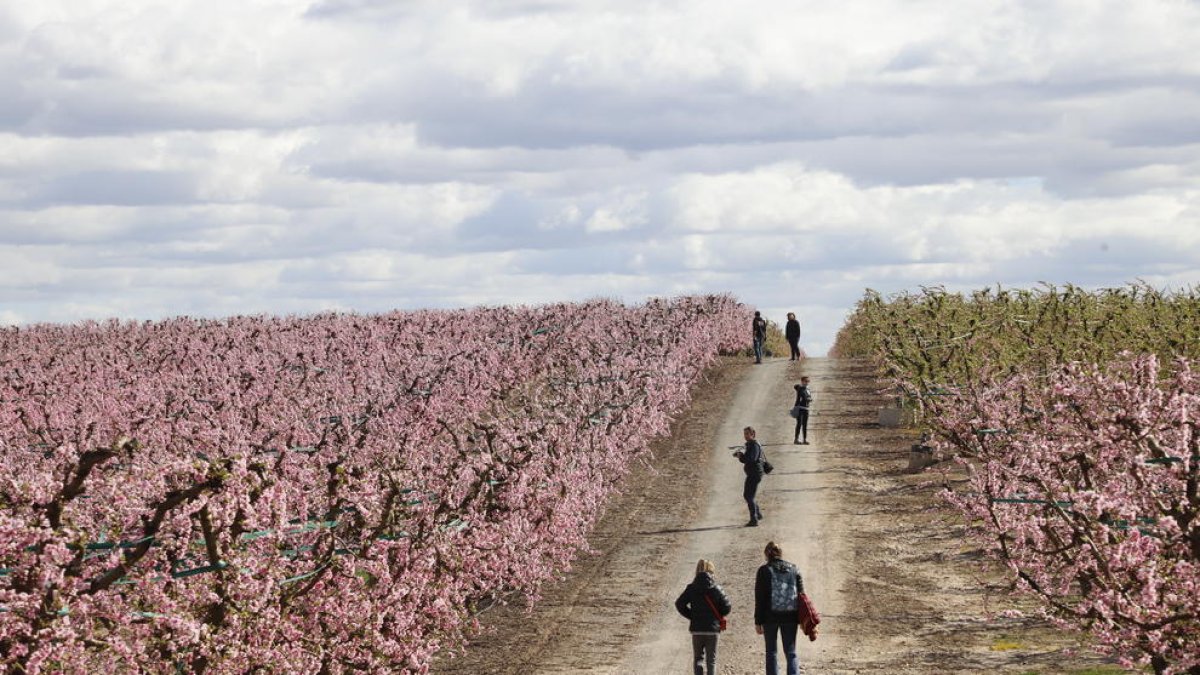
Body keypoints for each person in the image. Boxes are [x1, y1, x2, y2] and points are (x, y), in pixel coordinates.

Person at [755, 541, 805, 675]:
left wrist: (758, 621)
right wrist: (802, 619)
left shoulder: (763, 571)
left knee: (771, 652)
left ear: (766, 554)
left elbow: (760, 598)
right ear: (781, 554)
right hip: (791, 616)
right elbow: (801, 596)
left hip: (769, 617)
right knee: (791, 651)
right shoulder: (794, 569)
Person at [674, 559, 732, 675]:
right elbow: (727, 607)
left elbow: (679, 604)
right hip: (712, 630)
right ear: (712, 572)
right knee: (711, 661)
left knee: (698, 659)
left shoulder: (691, 588)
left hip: (697, 630)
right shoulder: (717, 589)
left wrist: (692, 616)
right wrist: (717, 616)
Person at [733, 426, 765, 526]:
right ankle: (757, 514)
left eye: (747, 434)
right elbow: (746, 459)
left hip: (755, 474)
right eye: (745, 434)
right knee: (748, 496)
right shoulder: (750, 444)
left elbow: (751, 459)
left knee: (748, 496)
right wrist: (740, 456)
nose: (746, 436)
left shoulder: (754, 445)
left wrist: (742, 456)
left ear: (753, 434)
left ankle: (754, 519)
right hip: (752, 473)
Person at [793, 376, 812, 445]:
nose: (807, 383)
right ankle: (796, 439)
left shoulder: (808, 389)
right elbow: (795, 386)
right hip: (799, 408)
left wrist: (809, 399)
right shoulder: (800, 388)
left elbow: (809, 397)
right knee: (799, 424)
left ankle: (804, 439)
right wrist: (800, 386)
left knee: (805, 425)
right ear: (802, 381)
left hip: (806, 409)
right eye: (805, 381)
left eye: (808, 381)